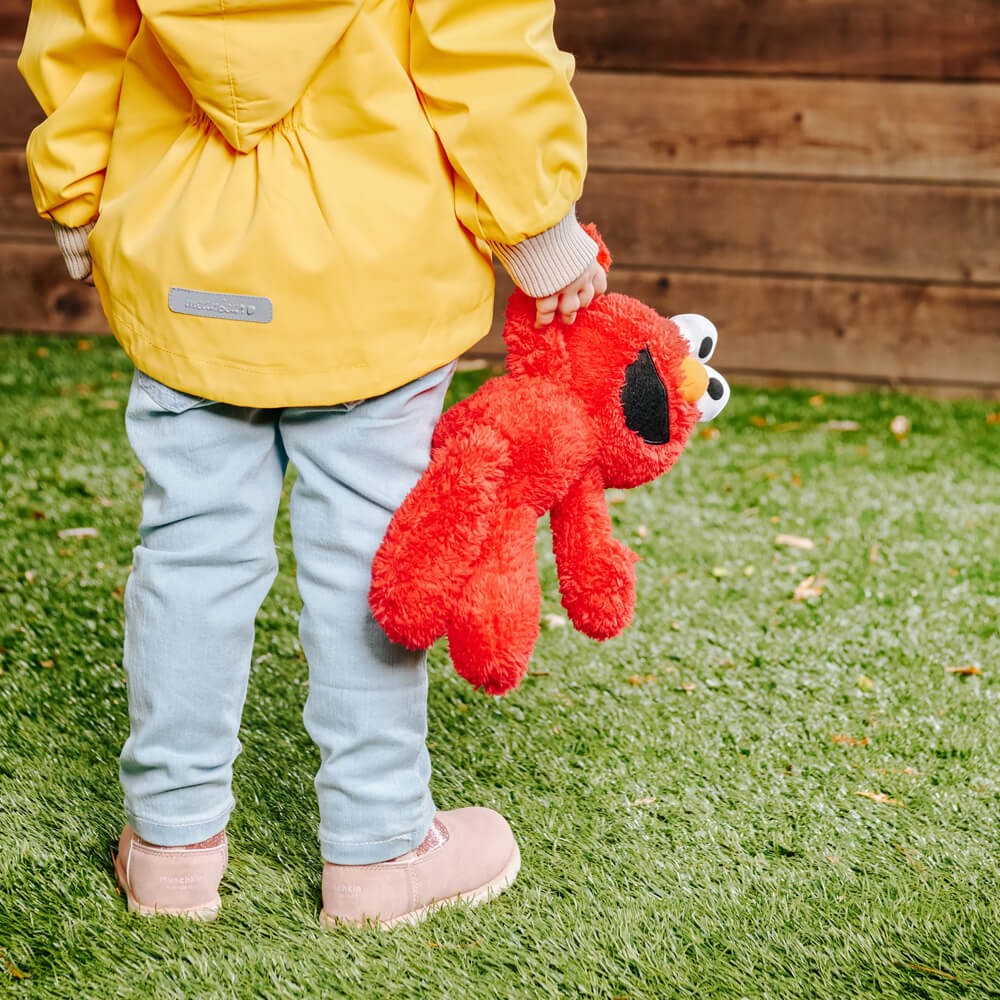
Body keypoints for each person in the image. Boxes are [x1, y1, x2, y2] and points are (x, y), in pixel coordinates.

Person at [19, 0, 607, 926]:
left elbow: (79, 38)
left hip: (188, 268)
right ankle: (379, 850)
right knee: (370, 559)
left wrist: (79, 195)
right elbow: (481, 48)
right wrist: (536, 226)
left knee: (190, 551)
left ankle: (171, 848)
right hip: (375, 278)